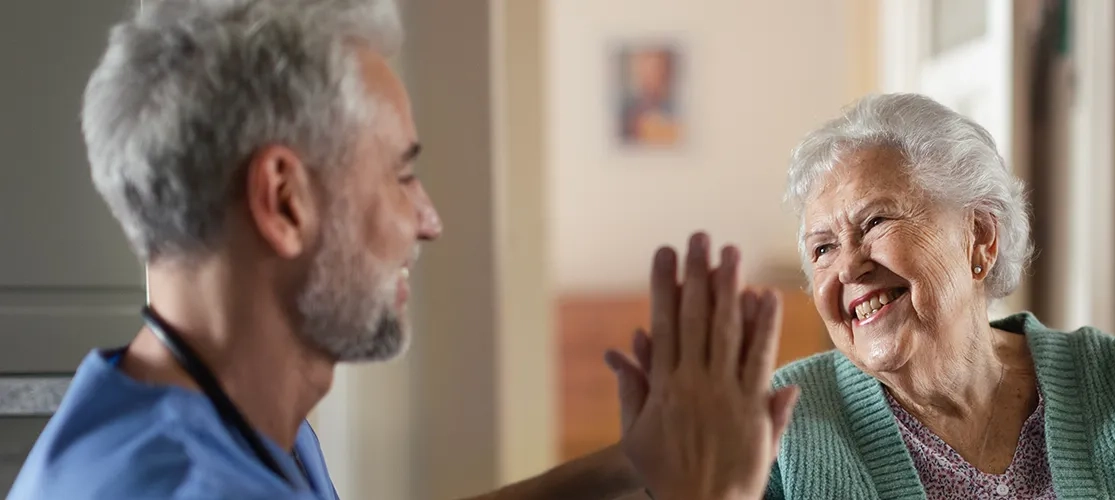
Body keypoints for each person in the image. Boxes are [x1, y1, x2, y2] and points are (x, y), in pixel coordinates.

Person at [6, 0, 794, 498]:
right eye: (402, 175)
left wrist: (632, 463)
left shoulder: (181, 411)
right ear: (284, 200)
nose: (428, 219)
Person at [754, 93, 1115, 498]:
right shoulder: (788, 422)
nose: (847, 265)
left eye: (874, 221)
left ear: (980, 238)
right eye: (821, 249)